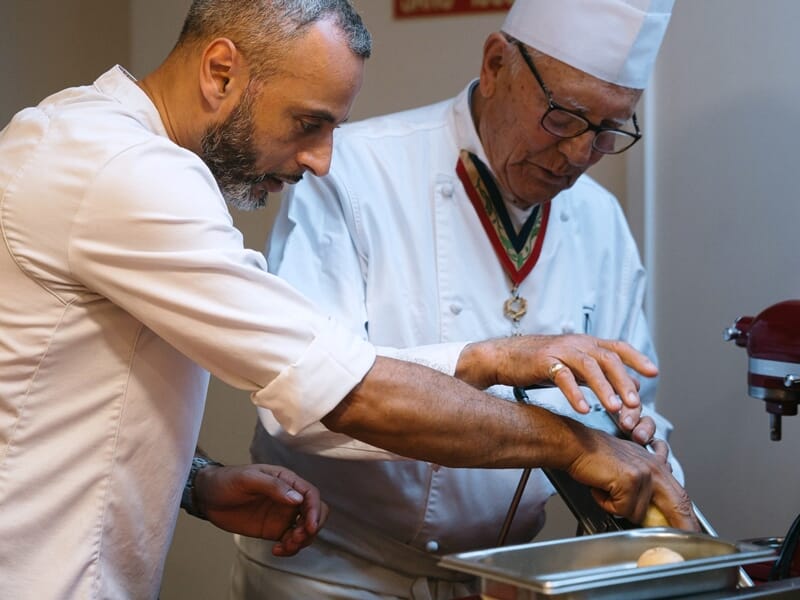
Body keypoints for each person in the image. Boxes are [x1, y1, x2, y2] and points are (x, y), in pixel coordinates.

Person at [0, 0, 694, 597]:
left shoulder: (89, 143)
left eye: (606, 131)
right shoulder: (127, 173)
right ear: (220, 72)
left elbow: (64, 389)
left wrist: (196, 481)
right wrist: (571, 445)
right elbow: (344, 389)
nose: (321, 160)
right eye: (308, 123)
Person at [226, 1, 684, 598]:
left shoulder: (601, 221)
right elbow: (305, 401)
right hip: (330, 570)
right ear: (495, 64)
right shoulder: (354, 175)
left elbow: (630, 407)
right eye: (565, 117)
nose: (579, 154)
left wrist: (649, 464)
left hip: (503, 580)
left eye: (609, 129)